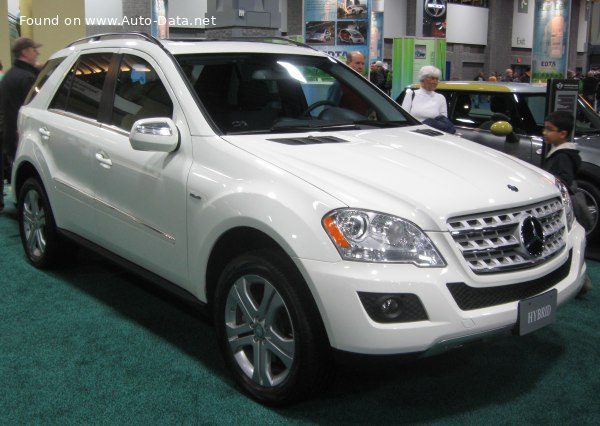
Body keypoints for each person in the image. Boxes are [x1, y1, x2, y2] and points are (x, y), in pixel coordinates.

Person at [542, 110, 593, 294]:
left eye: (550, 129)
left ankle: (581, 280)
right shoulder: (563, 153)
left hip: (562, 204)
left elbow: (563, 179)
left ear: (562, 133)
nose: (545, 133)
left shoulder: (562, 156)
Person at [0, 37, 41, 211]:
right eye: (33, 49)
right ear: (24, 52)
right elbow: (33, 108)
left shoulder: (9, 75)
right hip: (21, 133)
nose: (37, 52)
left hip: (8, 132)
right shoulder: (27, 78)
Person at [401, 65, 454, 133]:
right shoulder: (411, 95)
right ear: (423, 79)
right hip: (413, 133)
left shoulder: (440, 98)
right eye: (432, 78)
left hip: (433, 134)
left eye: (437, 79)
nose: (435, 82)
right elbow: (404, 117)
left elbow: (443, 121)